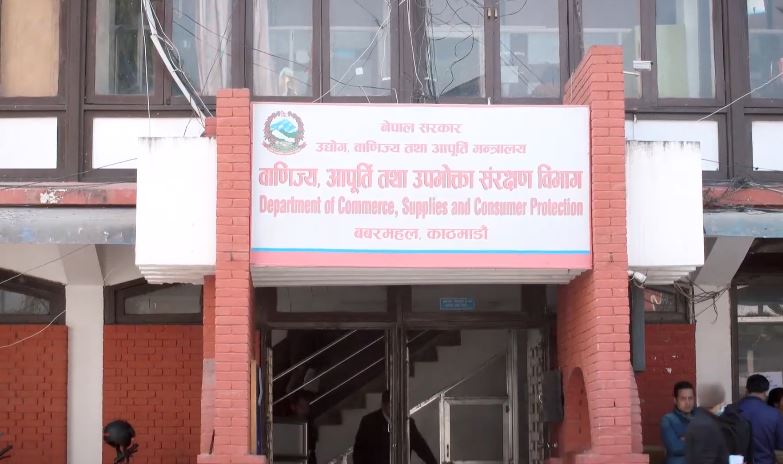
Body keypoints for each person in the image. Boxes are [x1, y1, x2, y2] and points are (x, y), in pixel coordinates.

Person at [353, 390, 437, 464]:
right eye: (391, 405)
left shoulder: (408, 423)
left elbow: (421, 447)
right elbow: (358, 451)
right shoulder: (368, 422)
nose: (394, 409)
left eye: (397, 405)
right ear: (383, 405)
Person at [739, 374, 783, 464]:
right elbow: (780, 444)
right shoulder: (774, 414)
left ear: (746, 389)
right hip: (765, 461)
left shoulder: (731, 410)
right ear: (766, 391)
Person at [686, 384, 730, 464]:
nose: (724, 404)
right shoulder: (707, 426)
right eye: (722, 401)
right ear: (717, 402)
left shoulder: (700, 419)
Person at [662, 381, 695, 464]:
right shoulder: (668, 419)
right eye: (683, 399)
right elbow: (675, 448)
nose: (687, 403)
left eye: (690, 398)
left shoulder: (701, 416)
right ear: (675, 400)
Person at [288, 390, 318, 464]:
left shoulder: (310, 424)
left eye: (307, 406)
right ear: (293, 407)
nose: (305, 409)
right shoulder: (288, 424)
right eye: (301, 406)